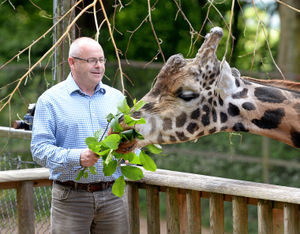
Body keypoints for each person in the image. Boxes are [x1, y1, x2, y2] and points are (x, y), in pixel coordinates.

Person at [31, 37, 129, 234]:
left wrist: (130, 147)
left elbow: (127, 136)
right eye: (92, 60)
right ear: (72, 62)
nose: (99, 66)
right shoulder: (50, 100)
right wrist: (78, 157)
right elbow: (38, 150)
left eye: (102, 60)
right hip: (71, 199)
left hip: (113, 197)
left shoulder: (117, 97)